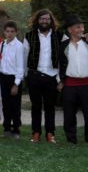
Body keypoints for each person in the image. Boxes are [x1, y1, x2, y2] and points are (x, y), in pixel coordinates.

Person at [59, 15, 88, 145]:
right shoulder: (63, 45)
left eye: (82, 26)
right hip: (70, 85)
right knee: (69, 114)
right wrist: (59, 80)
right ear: (70, 30)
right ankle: (71, 140)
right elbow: (59, 65)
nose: (81, 29)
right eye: (78, 27)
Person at [23, 9, 65, 143]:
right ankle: (36, 133)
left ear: (51, 21)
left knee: (50, 107)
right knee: (35, 107)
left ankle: (50, 134)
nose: (44, 21)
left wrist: (86, 36)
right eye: (42, 19)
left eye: (47, 19)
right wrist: (25, 77)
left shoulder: (60, 36)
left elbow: (73, 45)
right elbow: (24, 58)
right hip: (34, 76)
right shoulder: (29, 36)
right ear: (37, 21)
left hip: (52, 77)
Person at [0, 20, 24, 139]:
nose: (9, 34)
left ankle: (16, 129)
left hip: (14, 78)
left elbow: (20, 67)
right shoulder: (2, 44)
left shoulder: (19, 46)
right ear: (4, 32)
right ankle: (7, 128)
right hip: (4, 77)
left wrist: (16, 84)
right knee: (6, 104)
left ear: (16, 32)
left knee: (15, 105)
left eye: (12, 32)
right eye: (7, 31)